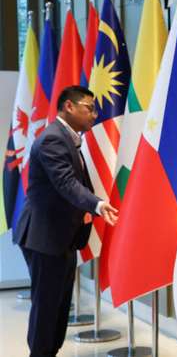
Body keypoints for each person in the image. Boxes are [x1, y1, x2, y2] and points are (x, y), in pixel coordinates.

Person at [13, 85, 119, 357]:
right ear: (68, 107)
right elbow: (66, 183)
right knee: (47, 307)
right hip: (44, 236)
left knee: (59, 307)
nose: (94, 114)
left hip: (62, 237)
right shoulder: (53, 139)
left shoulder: (68, 138)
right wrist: (96, 204)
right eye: (89, 108)